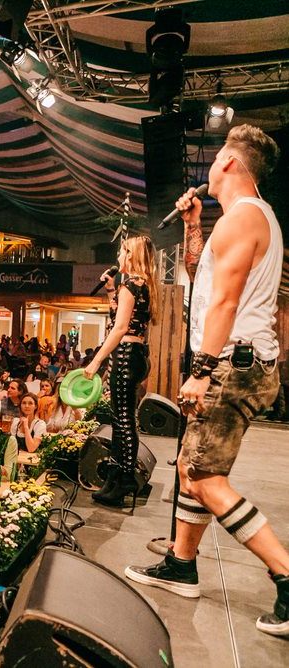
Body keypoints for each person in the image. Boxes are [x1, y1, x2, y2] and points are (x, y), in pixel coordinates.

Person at [125, 125, 289, 635]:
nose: (208, 170)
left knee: (202, 478)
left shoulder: (244, 218)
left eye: (217, 158)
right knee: (191, 468)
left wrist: (201, 370)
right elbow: (203, 278)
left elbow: (224, 301)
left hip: (229, 366)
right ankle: (181, 563)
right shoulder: (241, 220)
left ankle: (286, 575)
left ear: (232, 165)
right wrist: (194, 227)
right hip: (238, 363)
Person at [84, 235, 158, 507]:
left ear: (132, 255)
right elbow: (122, 318)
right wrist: (111, 292)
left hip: (126, 355)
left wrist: (96, 361)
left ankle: (125, 478)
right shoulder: (143, 284)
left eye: (122, 251)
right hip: (136, 355)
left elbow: (119, 327)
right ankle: (116, 477)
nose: (118, 257)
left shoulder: (132, 283)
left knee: (123, 421)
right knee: (122, 418)